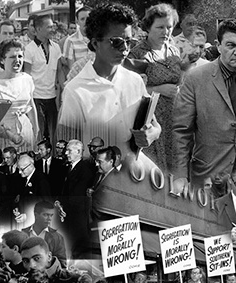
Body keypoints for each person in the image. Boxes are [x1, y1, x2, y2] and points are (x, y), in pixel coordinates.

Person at [172, 18, 236, 188]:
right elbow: (182, 132)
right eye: (231, 45)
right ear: (218, 46)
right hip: (210, 172)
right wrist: (181, 175)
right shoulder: (195, 79)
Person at [57, 3, 161, 168]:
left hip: (132, 169)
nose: (125, 49)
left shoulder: (135, 80)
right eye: (117, 42)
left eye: (129, 42)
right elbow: (69, 147)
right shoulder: (75, 91)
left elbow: (154, 124)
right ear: (95, 43)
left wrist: (151, 134)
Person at [128, 3, 182, 172]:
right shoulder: (137, 54)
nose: (166, 32)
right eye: (160, 27)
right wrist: (158, 89)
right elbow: (129, 90)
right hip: (152, 121)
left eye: (169, 27)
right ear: (148, 28)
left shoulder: (174, 51)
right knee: (154, 170)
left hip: (174, 120)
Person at [0, 39, 39, 151]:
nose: (17, 60)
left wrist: (36, 130)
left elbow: (31, 106)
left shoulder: (27, 79)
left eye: (20, 56)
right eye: (12, 57)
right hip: (2, 135)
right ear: (2, 60)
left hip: (25, 131)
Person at [24, 14, 63, 141]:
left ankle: (53, 159)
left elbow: (59, 70)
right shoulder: (29, 49)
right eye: (49, 27)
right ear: (39, 29)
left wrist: (64, 89)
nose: (52, 29)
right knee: (39, 134)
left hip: (52, 97)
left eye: (53, 26)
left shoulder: (56, 47)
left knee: (53, 135)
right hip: (36, 98)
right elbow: (27, 75)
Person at [59, 139, 95, 255]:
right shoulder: (69, 168)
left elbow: (76, 196)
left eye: (69, 151)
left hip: (78, 219)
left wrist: (64, 208)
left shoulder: (85, 170)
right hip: (69, 216)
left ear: (78, 151)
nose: (66, 153)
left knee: (78, 251)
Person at [20, 200, 68, 267]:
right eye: (46, 215)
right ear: (36, 215)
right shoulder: (22, 234)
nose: (49, 219)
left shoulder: (57, 237)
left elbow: (62, 265)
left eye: (51, 215)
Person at [62, 7, 93, 71]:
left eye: (88, 19)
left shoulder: (99, 39)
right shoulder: (70, 41)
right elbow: (71, 68)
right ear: (77, 21)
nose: (86, 22)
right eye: (82, 19)